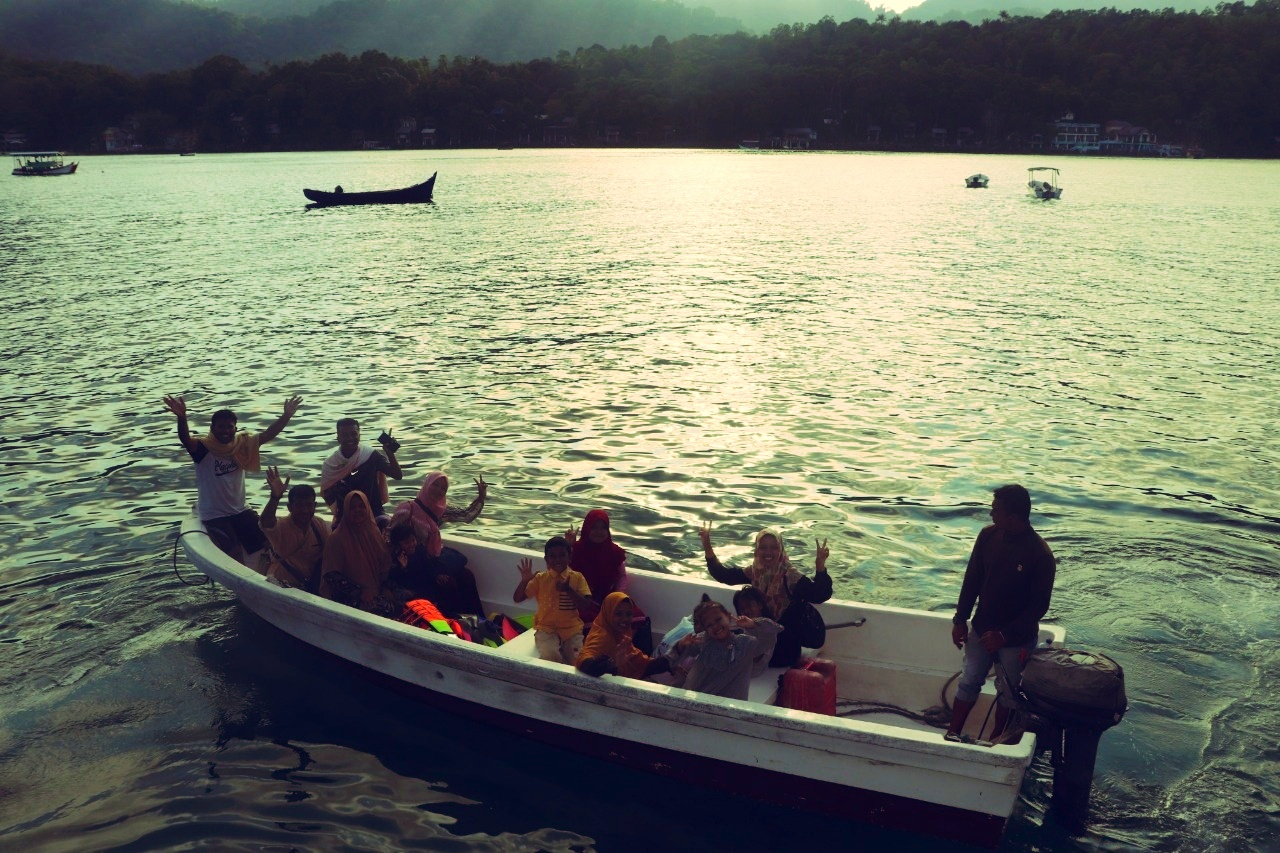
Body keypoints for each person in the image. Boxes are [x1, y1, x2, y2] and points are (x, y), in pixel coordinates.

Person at [946, 484, 1056, 743]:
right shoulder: (987, 536)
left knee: (1008, 692)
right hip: (982, 629)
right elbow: (972, 580)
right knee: (969, 680)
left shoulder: (1040, 554)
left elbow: (1039, 607)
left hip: (1015, 638)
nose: (991, 515)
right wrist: (960, 620)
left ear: (1013, 516)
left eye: (996, 510)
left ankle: (996, 739)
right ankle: (952, 732)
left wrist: (1005, 636)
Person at [163, 393, 302, 564]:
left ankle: (269, 578)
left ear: (235, 428)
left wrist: (286, 416)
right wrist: (182, 417)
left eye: (230, 427)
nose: (225, 431)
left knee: (268, 543)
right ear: (212, 428)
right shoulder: (203, 449)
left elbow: (268, 434)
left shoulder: (241, 445)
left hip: (240, 510)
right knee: (234, 551)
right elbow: (185, 438)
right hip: (214, 515)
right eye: (221, 427)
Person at [699, 522, 832, 667]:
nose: (768, 552)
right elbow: (725, 576)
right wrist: (707, 545)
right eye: (763, 547)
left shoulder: (790, 575)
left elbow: (820, 595)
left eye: (774, 547)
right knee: (740, 598)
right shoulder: (755, 571)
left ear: (780, 549)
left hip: (784, 645)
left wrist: (820, 566)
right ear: (756, 550)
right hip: (761, 637)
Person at [565, 508, 652, 651]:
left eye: (603, 528)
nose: (599, 532)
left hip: (609, 597)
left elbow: (622, 577)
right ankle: (598, 653)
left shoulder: (615, 552)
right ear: (587, 529)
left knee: (638, 617)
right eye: (594, 528)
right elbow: (564, 571)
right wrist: (569, 545)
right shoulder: (576, 550)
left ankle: (634, 656)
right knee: (586, 621)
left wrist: (617, 598)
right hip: (585, 600)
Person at [513, 536, 593, 664]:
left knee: (577, 660)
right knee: (551, 657)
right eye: (552, 556)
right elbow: (517, 599)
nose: (557, 560)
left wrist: (568, 590)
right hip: (546, 628)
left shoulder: (577, 577)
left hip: (571, 629)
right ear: (546, 560)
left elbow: (586, 605)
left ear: (570, 557)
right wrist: (525, 580)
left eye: (562, 555)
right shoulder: (540, 578)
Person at [321, 491, 395, 616]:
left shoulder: (374, 533)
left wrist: (386, 588)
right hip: (348, 596)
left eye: (361, 506)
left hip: (376, 589)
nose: (357, 510)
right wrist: (361, 592)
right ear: (346, 511)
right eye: (352, 507)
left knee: (408, 600)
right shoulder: (337, 538)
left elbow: (385, 566)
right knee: (385, 610)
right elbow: (332, 576)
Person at [320, 418, 403, 528]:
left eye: (353, 434)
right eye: (344, 435)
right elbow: (327, 494)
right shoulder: (330, 464)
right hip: (346, 516)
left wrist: (390, 453)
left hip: (375, 512)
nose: (349, 438)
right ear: (338, 438)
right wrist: (340, 512)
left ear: (359, 435)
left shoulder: (370, 455)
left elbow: (397, 475)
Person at [387, 522, 484, 617]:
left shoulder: (419, 550)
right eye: (406, 543)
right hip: (419, 588)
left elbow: (429, 565)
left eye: (413, 540)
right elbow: (402, 582)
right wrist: (403, 568)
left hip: (429, 581)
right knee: (447, 587)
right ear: (399, 545)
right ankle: (454, 616)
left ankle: (476, 615)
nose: (412, 544)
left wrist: (438, 575)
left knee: (466, 575)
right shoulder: (396, 561)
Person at [389, 471, 488, 559]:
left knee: (462, 562)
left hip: (431, 556)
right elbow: (391, 536)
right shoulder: (407, 509)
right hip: (411, 560)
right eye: (435, 484)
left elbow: (466, 516)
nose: (438, 490)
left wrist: (481, 497)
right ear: (427, 484)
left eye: (443, 488)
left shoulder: (442, 511)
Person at [260, 465, 329, 592]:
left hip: (312, 584)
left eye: (309, 505)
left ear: (315, 506)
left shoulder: (319, 524)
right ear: (290, 507)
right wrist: (275, 498)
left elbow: (332, 551)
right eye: (299, 506)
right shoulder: (282, 526)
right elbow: (266, 523)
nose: (305, 511)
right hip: (283, 584)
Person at [576, 591, 672, 679]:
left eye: (629, 614)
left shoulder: (622, 638)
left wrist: (675, 656)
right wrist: (611, 664)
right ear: (608, 613)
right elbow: (584, 664)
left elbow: (643, 665)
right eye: (618, 614)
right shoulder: (602, 637)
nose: (625, 619)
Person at [681, 596, 760, 700]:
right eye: (708, 624)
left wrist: (753, 625)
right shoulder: (696, 643)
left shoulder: (743, 643)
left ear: (728, 616)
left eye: (718, 620)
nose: (715, 626)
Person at [732, 586, 784, 677]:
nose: (746, 611)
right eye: (742, 609)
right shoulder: (741, 628)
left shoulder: (768, 628)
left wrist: (753, 624)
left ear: (760, 605)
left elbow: (778, 628)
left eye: (749, 606)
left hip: (749, 672)